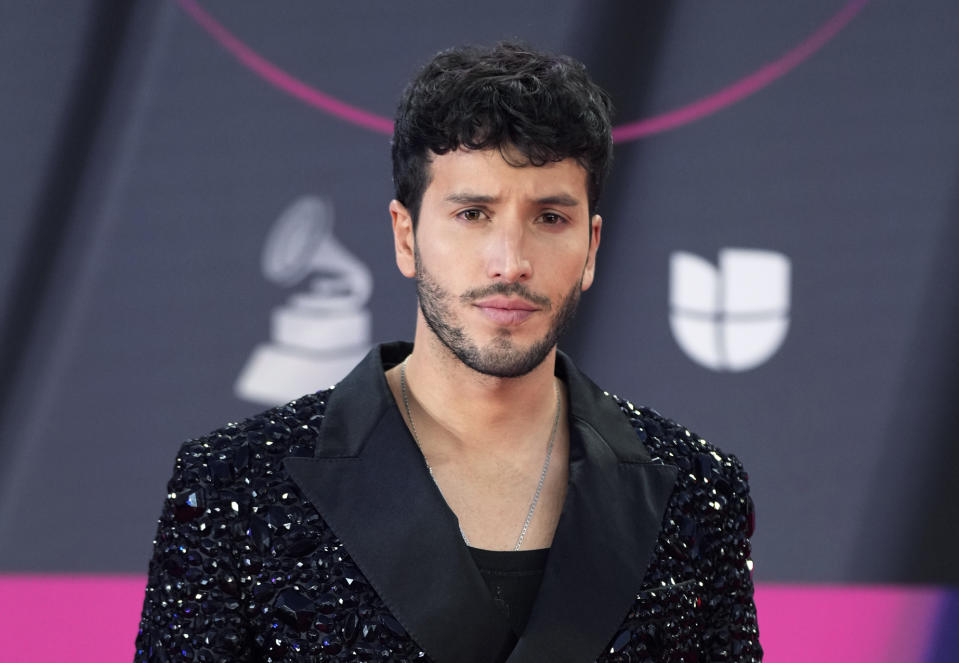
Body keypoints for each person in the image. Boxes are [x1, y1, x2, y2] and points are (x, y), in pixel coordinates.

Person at [135, 42, 761, 662]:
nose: (511, 262)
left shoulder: (697, 491)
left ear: (592, 246)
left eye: (549, 218)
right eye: (472, 214)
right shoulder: (233, 484)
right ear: (405, 237)